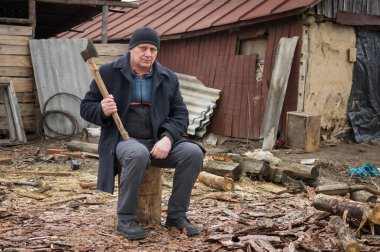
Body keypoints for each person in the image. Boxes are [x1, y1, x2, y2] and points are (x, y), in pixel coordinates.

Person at [80, 27, 205, 240]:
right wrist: (102, 109)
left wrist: (167, 138)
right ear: (131, 49)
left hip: (157, 140)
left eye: (153, 49)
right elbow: (85, 107)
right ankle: (126, 218)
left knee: (193, 153)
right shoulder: (109, 73)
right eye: (143, 48)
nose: (148, 54)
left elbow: (180, 114)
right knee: (137, 153)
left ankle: (177, 216)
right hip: (123, 140)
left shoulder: (167, 77)